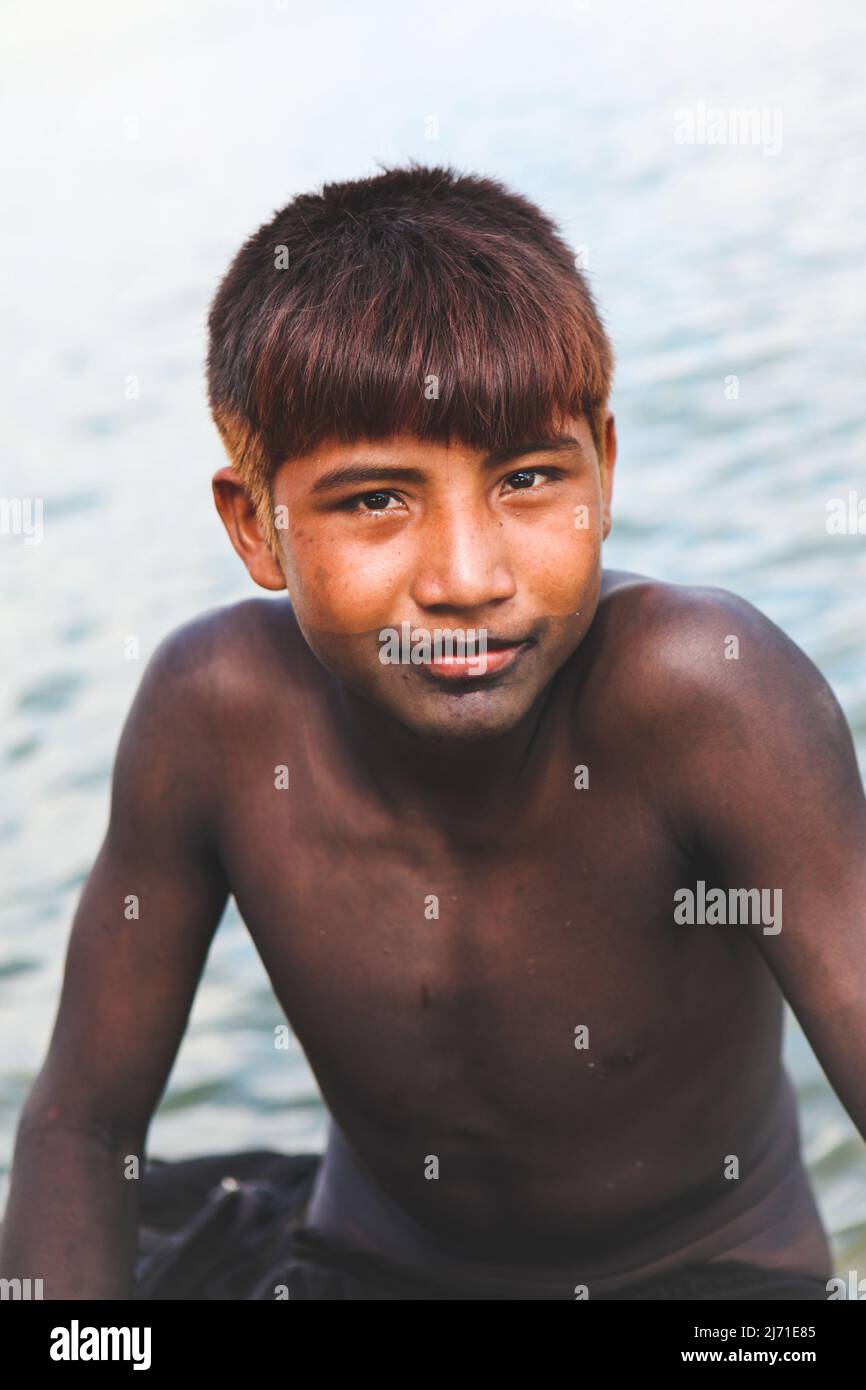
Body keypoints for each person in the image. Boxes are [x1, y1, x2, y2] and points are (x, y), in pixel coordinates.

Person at [2, 163, 865, 1300]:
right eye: (374, 501)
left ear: (602, 472)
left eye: (527, 478)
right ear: (254, 526)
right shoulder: (210, 713)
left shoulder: (699, 694)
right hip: (362, 1271)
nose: (467, 579)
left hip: (702, 1286)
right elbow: (80, 1123)